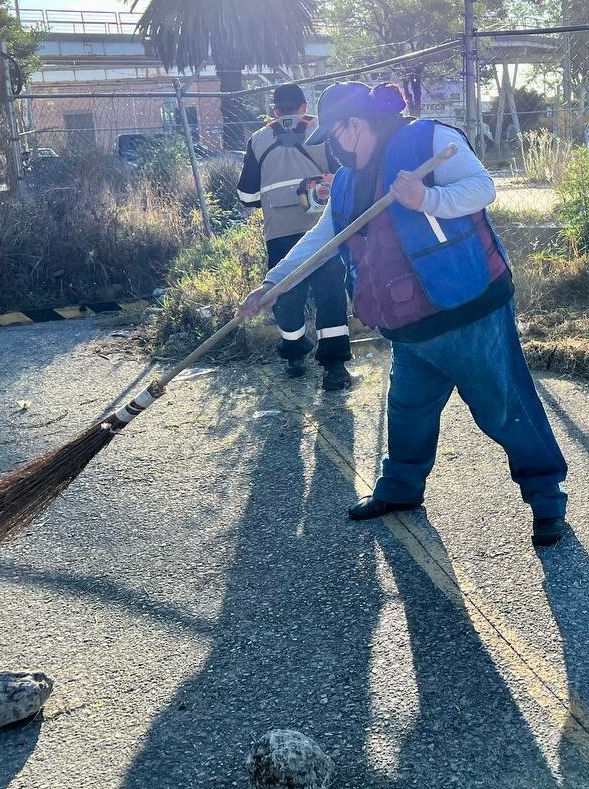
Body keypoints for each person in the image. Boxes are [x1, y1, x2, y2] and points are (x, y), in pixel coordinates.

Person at [238, 81, 569, 547]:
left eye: (335, 135)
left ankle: (546, 500)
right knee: (408, 408)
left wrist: (426, 199)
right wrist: (274, 284)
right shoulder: (348, 181)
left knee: (504, 407)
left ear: (355, 125)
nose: (333, 148)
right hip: (409, 324)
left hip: (468, 312)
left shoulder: (427, 139)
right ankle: (400, 489)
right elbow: (323, 236)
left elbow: (482, 189)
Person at [238, 84, 353, 389]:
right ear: (304, 106)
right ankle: (334, 369)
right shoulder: (322, 129)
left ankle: (294, 358)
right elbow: (346, 177)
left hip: (280, 230)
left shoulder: (258, 139)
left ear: (275, 110)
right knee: (330, 294)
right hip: (325, 229)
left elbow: (247, 196)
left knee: (286, 293)